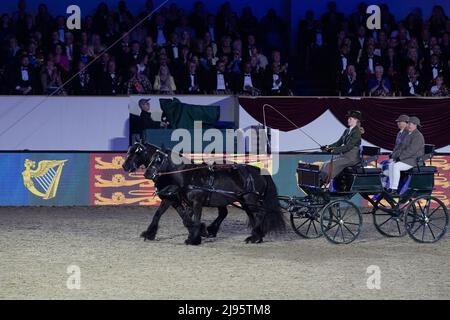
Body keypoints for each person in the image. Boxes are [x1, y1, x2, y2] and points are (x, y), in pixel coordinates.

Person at [319, 110, 363, 185]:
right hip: (344, 155)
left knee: (331, 164)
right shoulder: (347, 130)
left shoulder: (357, 132)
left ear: (356, 120)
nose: (348, 120)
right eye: (348, 118)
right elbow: (338, 142)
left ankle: (323, 182)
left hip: (352, 158)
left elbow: (348, 147)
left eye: (350, 119)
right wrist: (328, 147)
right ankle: (321, 181)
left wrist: (333, 150)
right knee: (325, 163)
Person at [387, 116, 425, 194]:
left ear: (416, 125)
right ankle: (390, 187)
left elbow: (411, 150)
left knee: (396, 166)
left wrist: (400, 157)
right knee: (391, 165)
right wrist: (395, 155)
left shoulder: (418, 136)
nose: (409, 125)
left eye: (411, 124)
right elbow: (401, 147)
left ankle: (394, 188)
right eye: (408, 124)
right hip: (407, 158)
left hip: (413, 160)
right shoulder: (409, 134)